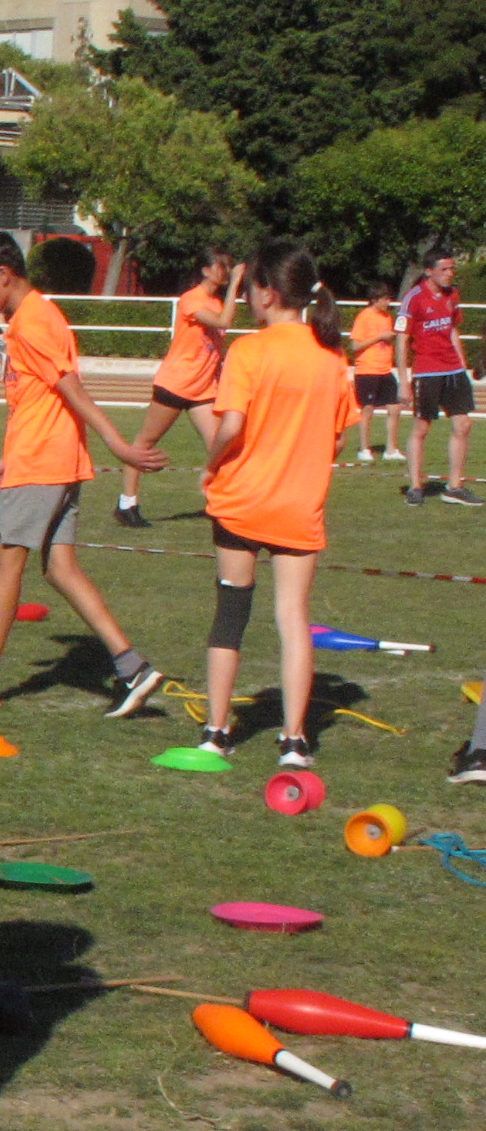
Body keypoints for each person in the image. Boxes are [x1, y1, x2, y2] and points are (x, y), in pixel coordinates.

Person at [0, 233, 167, 718]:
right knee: (59, 569)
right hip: (47, 458)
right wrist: (7, 455)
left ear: (3, 274)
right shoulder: (32, 318)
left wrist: (118, 445)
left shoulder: (34, 322)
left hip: (43, 463)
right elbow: (35, 400)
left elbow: (72, 391)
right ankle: (133, 668)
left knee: (5, 565)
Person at [194, 243, 357, 769]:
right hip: (298, 506)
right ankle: (294, 739)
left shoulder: (248, 351)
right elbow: (337, 439)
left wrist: (210, 464)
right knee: (293, 618)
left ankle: (216, 731)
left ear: (266, 292)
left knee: (230, 613)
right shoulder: (332, 357)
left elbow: (231, 426)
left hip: (241, 501)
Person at [115, 248, 238, 527]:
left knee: (219, 445)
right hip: (176, 384)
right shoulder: (191, 298)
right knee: (144, 444)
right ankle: (126, 504)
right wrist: (235, 287)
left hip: (202, 389)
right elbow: (224, 322)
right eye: (221, 265)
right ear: (205, 270)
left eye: (228, 266)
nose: (226, 271)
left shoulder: (216, 302)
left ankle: (220, 502)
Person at [401, 247, 476, 506]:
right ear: (429, 271)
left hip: (453, 370)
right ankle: (415, 487)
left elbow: (452, 329)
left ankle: (454, 487)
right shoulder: (414, 298)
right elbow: (402, 339)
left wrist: (462, 366)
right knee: (421, 428)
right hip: (427, 371)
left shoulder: (452, 294)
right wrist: (403, 381)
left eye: (452, 268)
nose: (450, 273)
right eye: (444, 269)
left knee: (463, 424)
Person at [346, 280, 401, 464]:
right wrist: (379, 337)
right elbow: (355, 345)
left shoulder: (387, 318)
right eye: (385, 299)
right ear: (375, 299)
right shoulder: (364, 317)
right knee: (367, 409)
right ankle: (364, 449)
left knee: (394, 407)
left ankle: (391, 449)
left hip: (385, 369)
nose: (388, 302)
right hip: (367, 370)